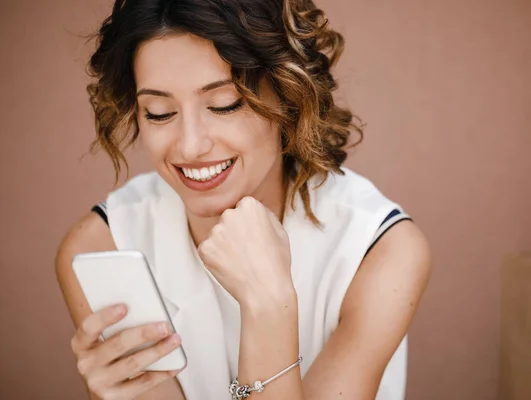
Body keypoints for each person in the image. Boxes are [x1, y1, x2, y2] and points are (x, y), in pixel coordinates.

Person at [55, 0, 431, 399]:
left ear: (289, 97)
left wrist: (269, 307)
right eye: (159, 112)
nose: (191, 146)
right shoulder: (102, 246)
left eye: (224, 104)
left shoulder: (379, 250)